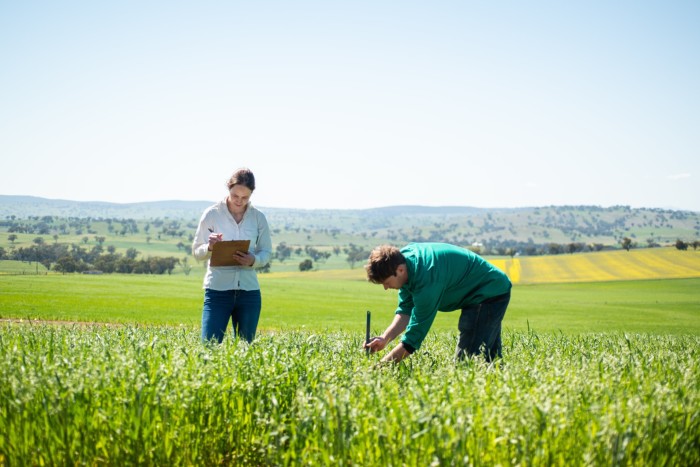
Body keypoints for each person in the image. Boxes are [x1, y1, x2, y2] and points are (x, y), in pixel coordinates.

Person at [363, 242, 511, 363]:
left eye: (387, 282)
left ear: (400, 270)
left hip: (489, 293)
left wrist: (381, 368)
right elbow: (406, 309)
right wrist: (384, 339)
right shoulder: (404, 261)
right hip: (483, 291)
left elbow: (412, 340)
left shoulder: (427, 278)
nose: (386, 288)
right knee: (491, 360)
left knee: (467, 362)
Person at [192, 168, 272, 343]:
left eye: (245, 198)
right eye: (235, 195)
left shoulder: (258, 218)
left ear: (251, 194)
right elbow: (197, 252)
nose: (239, 201)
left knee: (246, 351)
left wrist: (254, 260)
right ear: (229, 189)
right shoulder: (212, 214)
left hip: (249, 293)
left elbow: (266, 252)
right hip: (217, 292)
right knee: (209, 347)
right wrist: (209, 247)